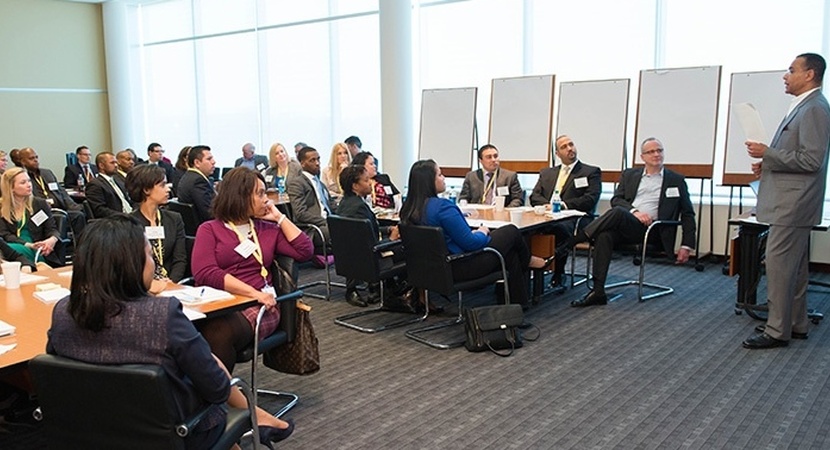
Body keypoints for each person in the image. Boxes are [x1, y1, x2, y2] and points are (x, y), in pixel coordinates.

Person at [45, 215, 295, 449]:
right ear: (133, 265)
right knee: (211, 382)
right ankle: (258, 418)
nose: (153, 262)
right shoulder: (162, 315)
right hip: (174, 433)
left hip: (92, 430)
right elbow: (217, 389)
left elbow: (60, 370)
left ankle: (259, 419)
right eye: (149, 254)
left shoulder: (63, 312)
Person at [742, 53, 830, 349]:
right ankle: (796, 322)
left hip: (794, 204)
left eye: (791, 70)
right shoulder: (805, 106)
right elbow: (798, 156)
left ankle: (777, 330)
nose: (785, 75)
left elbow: (812, 160)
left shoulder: (815, 108)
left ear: (810, 74)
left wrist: (768, 153)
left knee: (779, 266)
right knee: (795, 267)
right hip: (792, 200)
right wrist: (767, 164)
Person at [192, 168, 313, 372]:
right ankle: (209, 393)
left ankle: (215, 396)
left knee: (217, 333)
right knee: (182, 330)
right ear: (239, 195)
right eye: (260, 193)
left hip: (260, 305)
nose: (266, 200)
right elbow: (204, 272)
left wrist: (279, 218)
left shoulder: (267, 229)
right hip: (220, 302)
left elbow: (305, 250)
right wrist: (250, 292)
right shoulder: (210, 229)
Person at [399, 160, 552, 309]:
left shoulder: (409, 208)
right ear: (428, 181)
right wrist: (482, 232)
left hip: (429, 269)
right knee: (511, 231)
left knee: (510, 254)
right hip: (460, 266)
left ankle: (518, 305)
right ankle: (528, 261)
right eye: (440, 175)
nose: (444, 178)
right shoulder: (443, 207)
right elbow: (471, 243)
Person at [568, 137, 696, 308]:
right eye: (651, 152)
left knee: (618, 213)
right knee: (605, 235)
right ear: (642, 157)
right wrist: (635, 212)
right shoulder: (630, 175)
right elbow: (617, 199)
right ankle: (598, 291)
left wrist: (687, 245)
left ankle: (575, 240)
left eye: (659, 150)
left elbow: (687, 213)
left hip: (653, 231)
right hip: (629, 226)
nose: (656, 154)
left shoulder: (676, 180)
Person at [530, 135, 602, 287]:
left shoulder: (590, 172)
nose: (569, 148)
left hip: (576, 218)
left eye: (571, 144)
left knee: (559, 228)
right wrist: (548, 206)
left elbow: (590, 200)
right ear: (557, 153)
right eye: (564, 147)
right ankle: (529, 269)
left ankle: (558, 272)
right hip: (547, 215)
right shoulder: (547, 173)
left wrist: (562, 205)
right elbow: (534, 196)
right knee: (526, 228)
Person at [336, 165, 402, 307]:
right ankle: (398, 292)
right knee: (407, 248)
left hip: (353, 259)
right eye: (366, 181)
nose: (370, 183)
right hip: (370, 260)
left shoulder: (345, 204)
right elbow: (368, 245)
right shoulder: (358, 208)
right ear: (355, 185)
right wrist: (390, 239)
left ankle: (387, 288)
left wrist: (388, 229)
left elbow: (367, 230)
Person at [127, 164, 187, 283]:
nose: (168, 189)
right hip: (142, 286)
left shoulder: (174, 219)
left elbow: (180, 259)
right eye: (162, 185)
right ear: (146, 190)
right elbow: (130, 265)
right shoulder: (129, 223)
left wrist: (172, 281)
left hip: (171, 284)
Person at [18, 147, 86, 238]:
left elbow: (62, 192)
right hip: (39, 212)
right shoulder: (22, 177)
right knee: (58, 219)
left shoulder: (47, 173)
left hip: (59, 209)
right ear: (23, 161)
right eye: (31, 158)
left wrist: (73, 206)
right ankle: (59, 248)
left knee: (79, 214)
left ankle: (80, 247)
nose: (35, 160)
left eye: (36, 157)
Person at [0, 167, 62, 267]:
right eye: (23, 182)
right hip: (14, 246)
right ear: (11, 187)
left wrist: (52, 240)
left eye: (29, 181)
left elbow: (52, 229)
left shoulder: (39, 204)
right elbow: (5, 235)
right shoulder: (2, 207)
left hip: (38, 248)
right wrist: (28, 245)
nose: (29, 185)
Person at [286, 146, 332, 255]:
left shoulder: (320, 183)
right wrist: (325, 221)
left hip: (328, 222)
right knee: (343, 231)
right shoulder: (296, 183)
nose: (317, 163)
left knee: (353, 225)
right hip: (312, 227)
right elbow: (300, 213)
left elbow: (332, 205)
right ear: (302, 163)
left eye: (318, 159)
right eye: (312, 160)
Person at [459, 144, 523, 208]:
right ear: (480, 161)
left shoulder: (509, 176)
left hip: (500, 214)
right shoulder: (471, 177)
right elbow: (463, 198)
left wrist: (505, 211)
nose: (493, 160)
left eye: (495, 156)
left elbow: (518, 199)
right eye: (489, 157)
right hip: (478, 214)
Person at [84, 152, 134, 218]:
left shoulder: (118, 180)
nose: (116, 165)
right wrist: (124, 216)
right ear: (101, 166)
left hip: (130, 215)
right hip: (115, 220)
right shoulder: (95, 184)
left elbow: (129, 200)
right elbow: (99, 210)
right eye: (112, 163)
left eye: (116, 162)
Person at [177, 145, 217, 224]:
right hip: (204, 228)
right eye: (209, 159)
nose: (213, 162)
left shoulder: (188, 176)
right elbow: (209, 213)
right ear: (197, 163)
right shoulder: (198, 181)